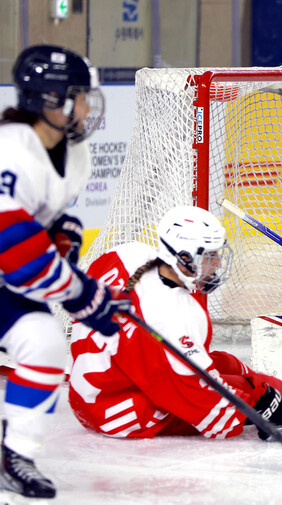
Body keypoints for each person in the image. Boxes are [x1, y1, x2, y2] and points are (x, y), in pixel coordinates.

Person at [68, 206, 282, 444]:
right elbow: (209, 409)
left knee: (225, 363)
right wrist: (259, 409)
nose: (218, 264)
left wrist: (262, 400)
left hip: (111, 380)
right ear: (183, 257)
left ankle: (280, 391)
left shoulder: (127, 256)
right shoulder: (173, 316)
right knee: (245, 391)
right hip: (122, 411)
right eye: (211, 256)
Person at [0, 44, 132, 499]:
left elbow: (56, 217)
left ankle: (14, 453)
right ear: (49, 100)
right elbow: (16, 255)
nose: (87, 107)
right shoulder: (9, 152)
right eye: (78, 96)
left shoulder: (74, 153)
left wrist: (66, 239)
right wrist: (84, 295)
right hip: (7, 273)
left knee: (45, 344)